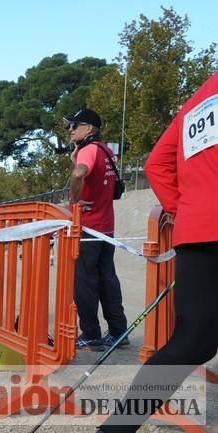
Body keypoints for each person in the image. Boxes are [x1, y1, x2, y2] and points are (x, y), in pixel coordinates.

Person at [96, 73, 218, 433]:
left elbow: (157, 164)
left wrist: (190, 208)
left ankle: (115, 429)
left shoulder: (199, 99)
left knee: (192, 343)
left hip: (197, 229)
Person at [65, 108, 128, 352]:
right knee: (107, 280)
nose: (71, 130)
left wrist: (74, 201)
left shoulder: (88, 150)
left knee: (84, 283)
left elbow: (80, 173)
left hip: (88, 228)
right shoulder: (106, 150)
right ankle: (118, 332)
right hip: (106, 228)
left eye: (75, 125)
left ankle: (91, 335)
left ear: (89, 129)